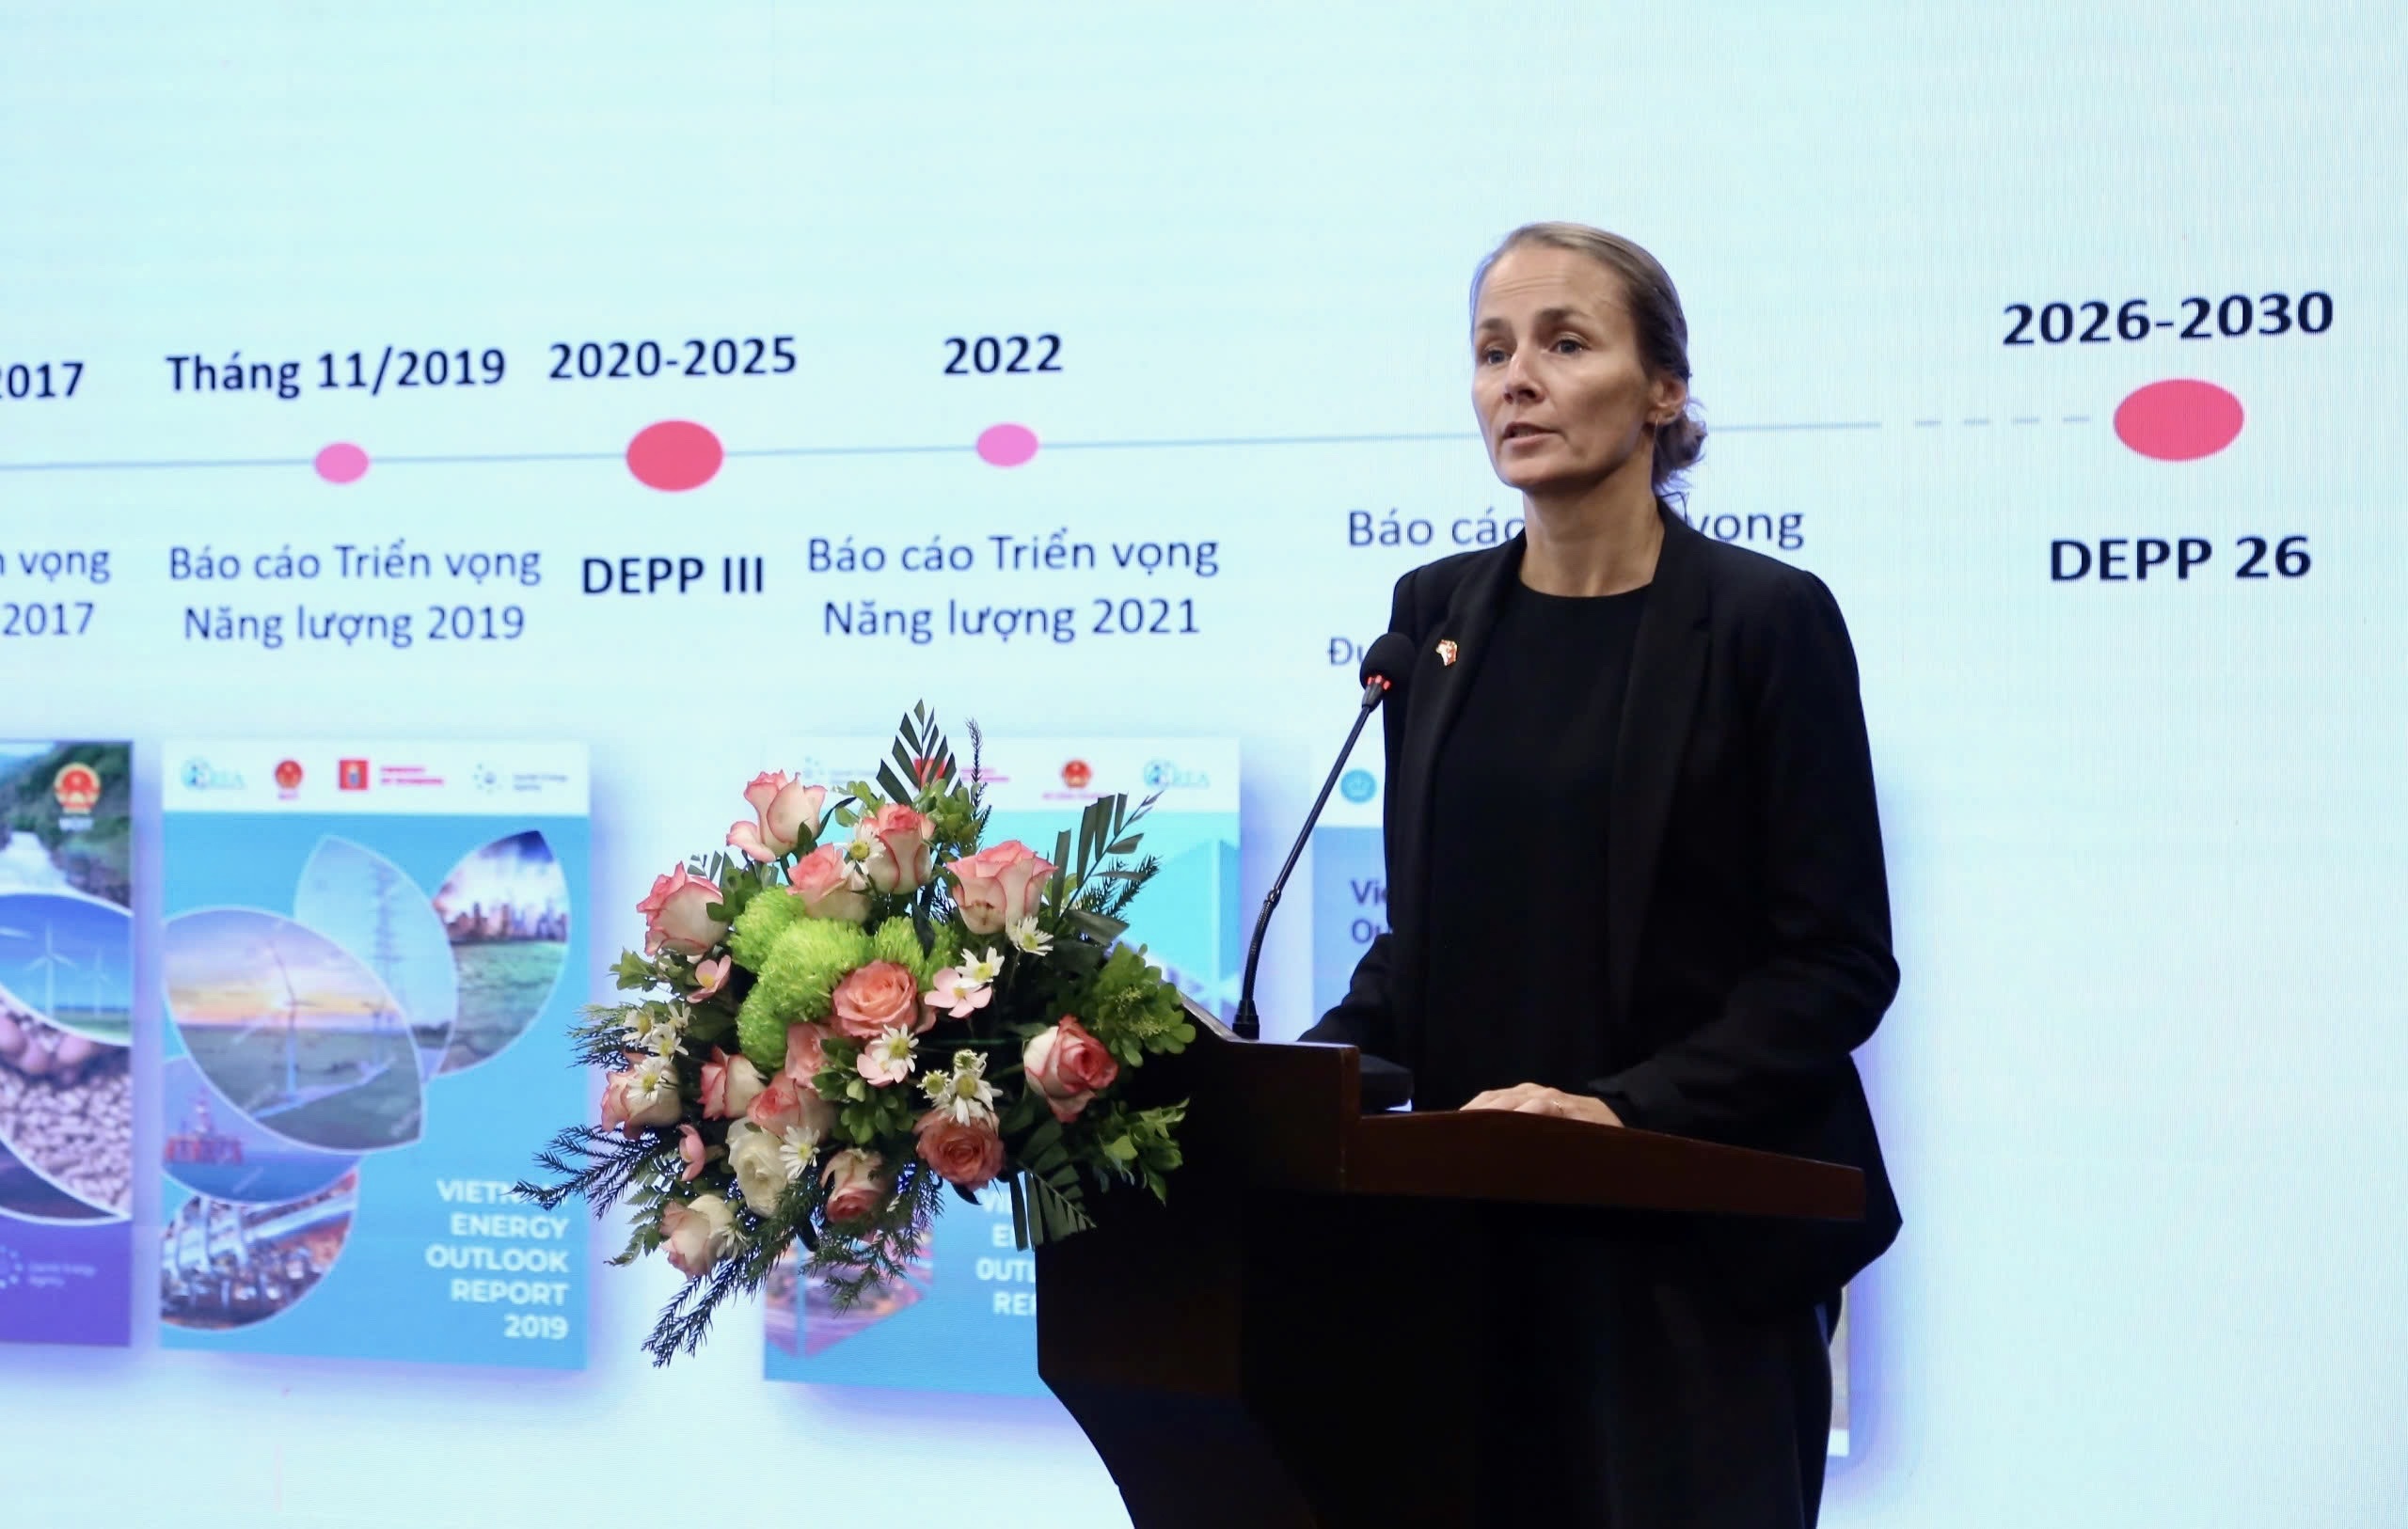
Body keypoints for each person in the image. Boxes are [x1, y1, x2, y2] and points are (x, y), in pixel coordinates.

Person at [1302, 222, 1901, 1526]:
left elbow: (1836, 962)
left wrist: (1621, 1112)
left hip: (1693, 1259)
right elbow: (1431, 936)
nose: (1516, 379)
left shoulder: (1765, 621)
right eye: (1492, 351)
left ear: (1663, 390)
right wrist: (1296, 1085)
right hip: (1470, 1251)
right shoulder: (1437, 618)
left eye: (1565, 343)